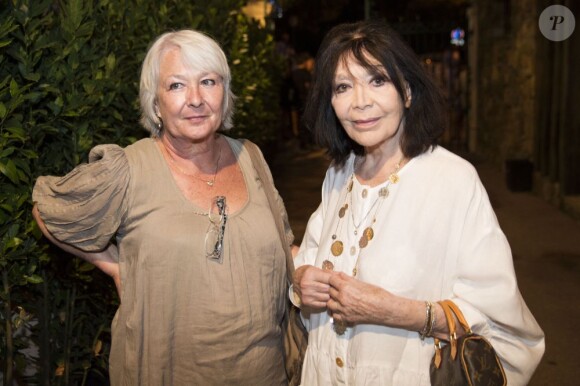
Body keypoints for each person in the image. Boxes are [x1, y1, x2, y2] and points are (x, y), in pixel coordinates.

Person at [32, 30, 295, 385]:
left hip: (264, 374)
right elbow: (47, 209)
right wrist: (115, 267)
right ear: (155, 103)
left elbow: (285, 248)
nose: (196, 99)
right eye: (176, 86)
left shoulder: (252, 157)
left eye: (208, 81)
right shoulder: (128, 168)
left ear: (225, 93)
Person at [292, 20, 544, 385]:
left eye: (378, 80)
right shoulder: (340, 173)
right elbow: (310, 260)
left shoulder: (452, 180)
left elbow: (500, 319)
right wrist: (303, 280)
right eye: (343, 87)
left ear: (407, 92)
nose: (361, 101)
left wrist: (398, 312)